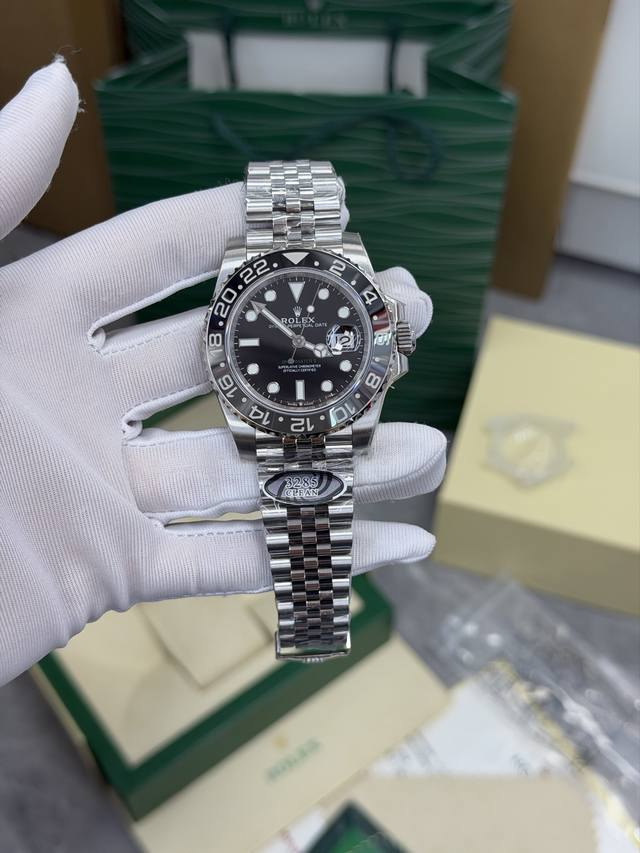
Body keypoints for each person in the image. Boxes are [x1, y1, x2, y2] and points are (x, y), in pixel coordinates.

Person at [0, 61, 446, 685]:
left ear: (386, 341)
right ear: (221, 345)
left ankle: (313, 628)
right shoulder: (239, 338)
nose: (295, 342)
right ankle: (314, 626)